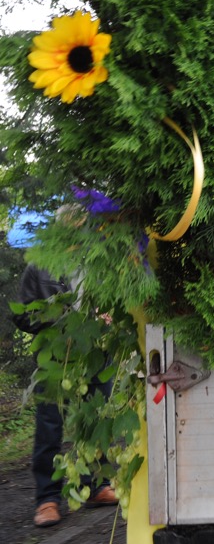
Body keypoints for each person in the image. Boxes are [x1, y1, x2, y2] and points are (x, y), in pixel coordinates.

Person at [9, 213, 117, 527]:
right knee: (50, 424)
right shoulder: (39, 265)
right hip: (56, 357)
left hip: (95, 353)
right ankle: (47, 499)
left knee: (95, 419)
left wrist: (109, 314)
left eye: (82, 225)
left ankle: (95, 486)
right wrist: (55, 319)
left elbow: (116, 300)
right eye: (70, 225)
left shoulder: (97, 262)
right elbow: (21, 314)